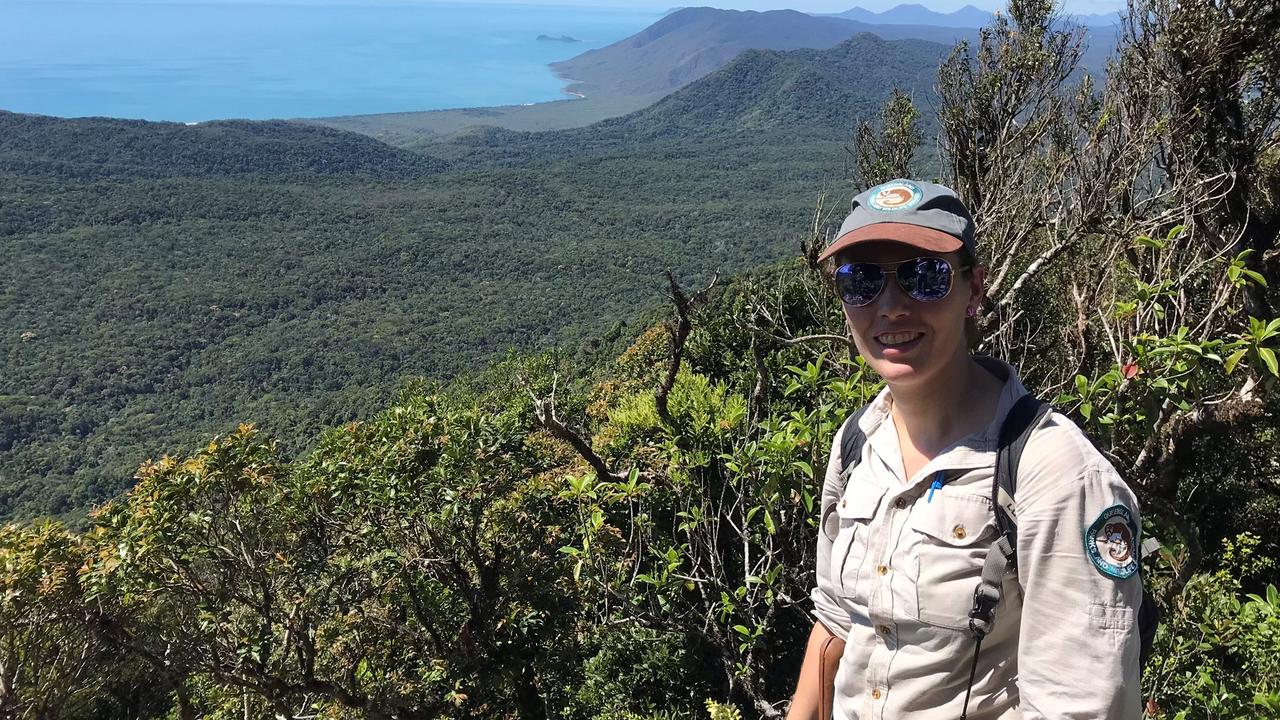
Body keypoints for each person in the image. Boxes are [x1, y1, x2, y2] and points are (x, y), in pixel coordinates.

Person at [786, 180, 1144, 719]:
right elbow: (837, 622)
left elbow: (1081, 705)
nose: (889, 307)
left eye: (923, 277)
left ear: (973, 289)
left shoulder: (1052, 470)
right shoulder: (857, 442)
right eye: (860, 280)